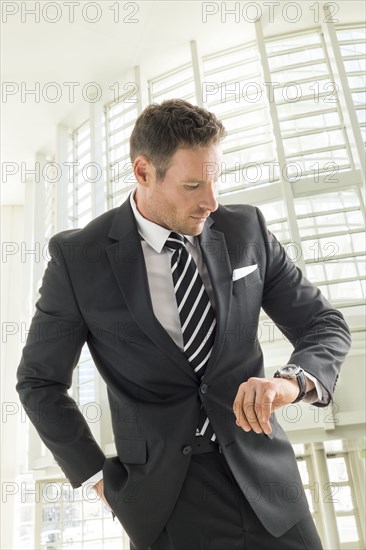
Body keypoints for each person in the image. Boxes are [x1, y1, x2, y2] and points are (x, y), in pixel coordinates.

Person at [17, 99, 351, 550]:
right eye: (193, 185)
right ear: (143, 173)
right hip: (163, 504)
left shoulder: (245, 230)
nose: (210, 203)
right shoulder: (80, 258)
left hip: (268, 488)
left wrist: (291, 383)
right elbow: (39, 382)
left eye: (214, 182)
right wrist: (95, 476)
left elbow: (323, 323)